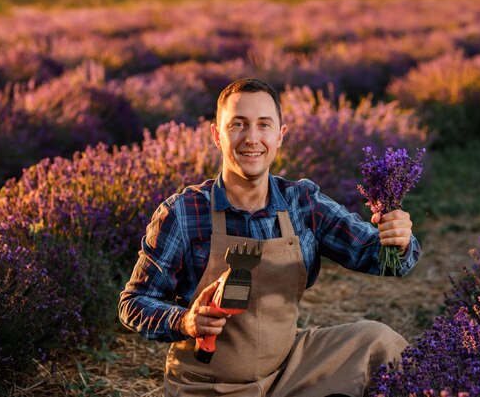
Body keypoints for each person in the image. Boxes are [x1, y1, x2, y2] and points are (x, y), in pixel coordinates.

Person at [119, 78, 421, 397]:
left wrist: (397, 242)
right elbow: (133, 303)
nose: (252, 138)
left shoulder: (303, 203)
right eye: (238, 124)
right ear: (216, 135)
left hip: (288, 369)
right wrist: (185, 321)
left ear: (280, 135)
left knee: (377, 342)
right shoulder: (182, 213)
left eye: (264, 125)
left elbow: (380, 259)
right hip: (207, 387)